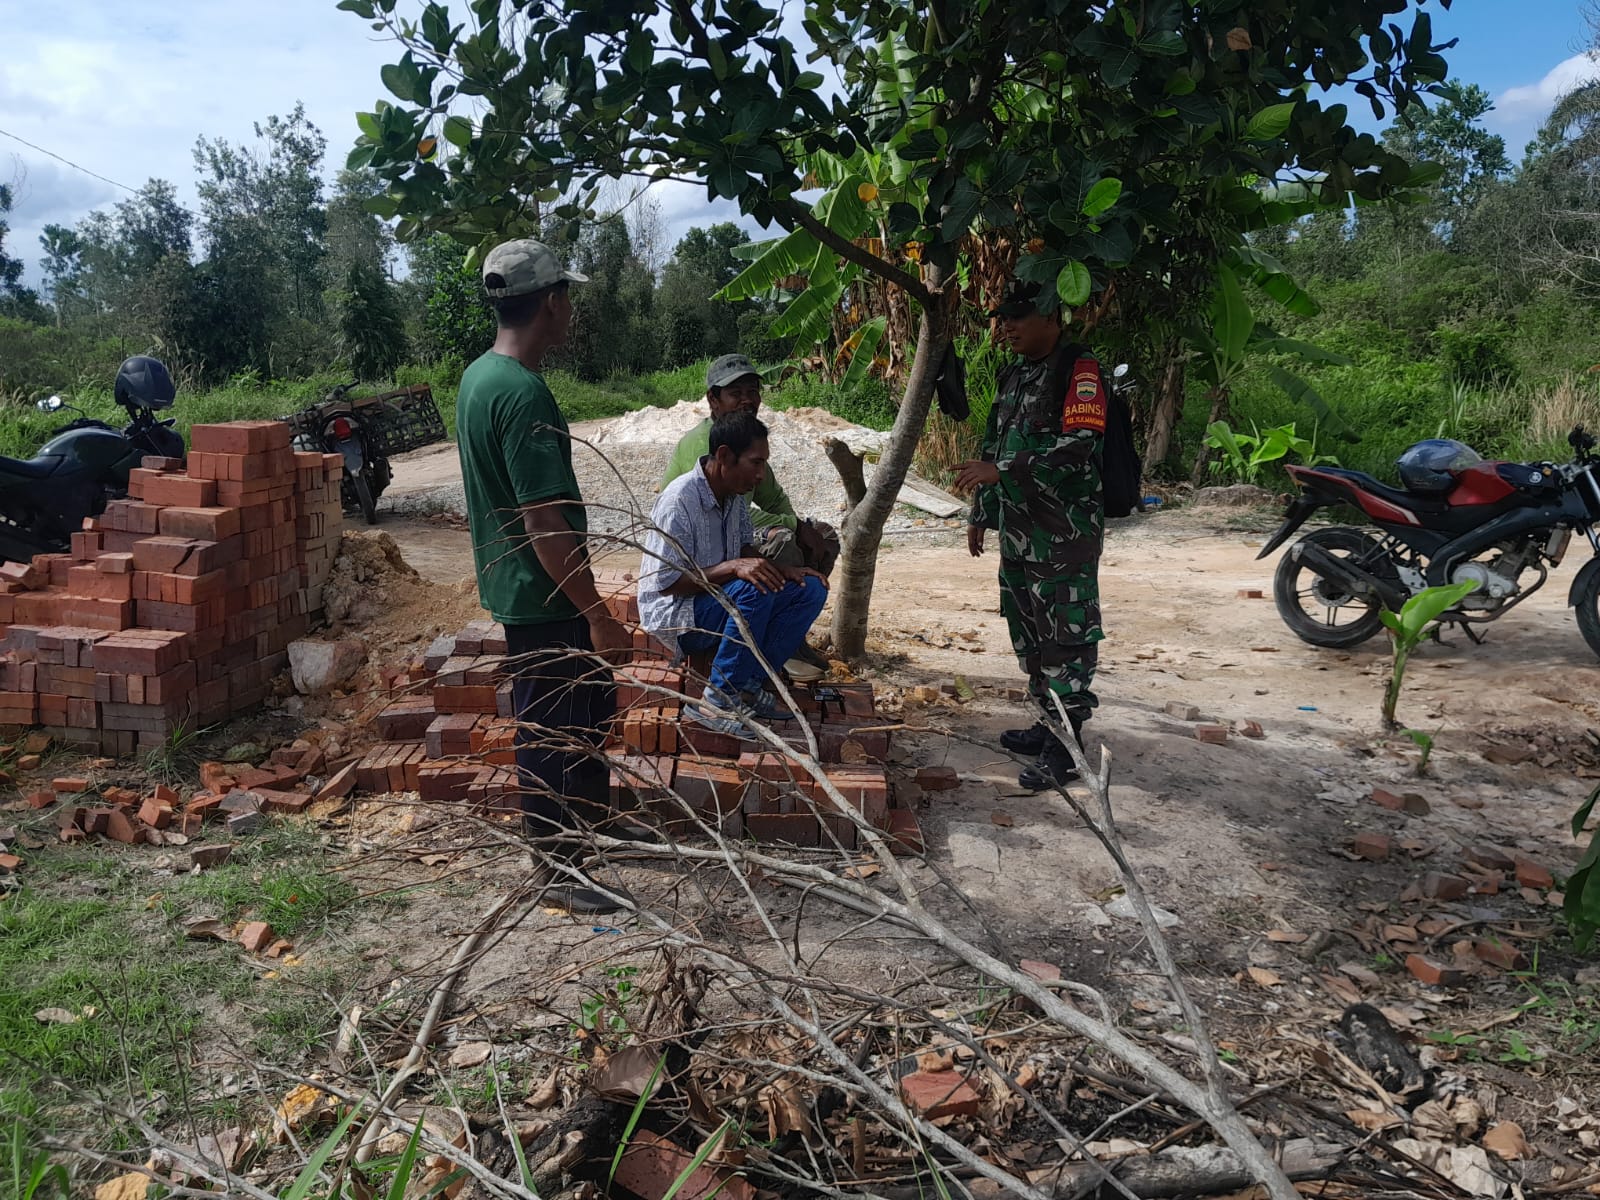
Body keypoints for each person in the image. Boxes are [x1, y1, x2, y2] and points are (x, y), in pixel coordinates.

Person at [454, 236, 633, 915]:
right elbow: (544, 526)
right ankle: (560, 870)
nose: (572, 310)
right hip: (546, 596)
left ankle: (581, 839)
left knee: (582, 720)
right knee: (554, 733)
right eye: (569, 298)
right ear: (551, 303)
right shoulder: (522, 395)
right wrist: (597, 614)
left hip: (526, 592)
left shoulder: (479, 378)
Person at [954, 280, 1107, 791]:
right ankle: (1047, 725)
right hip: (1020, 533)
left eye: (1019, 315)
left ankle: (1066, 747)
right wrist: (982, 511)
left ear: (1050, 316)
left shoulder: (1078, 370)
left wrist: (1005, 470)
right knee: (1031, 634)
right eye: (1004, 317)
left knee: (1065, 634)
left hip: (1063, 533)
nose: (1008, 326)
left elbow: (1080, 446)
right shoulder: (1015, 374)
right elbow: (991, 444)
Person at [640, 411, 829, 731]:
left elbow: (744, 550)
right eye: (756, 462)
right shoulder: (679, 501)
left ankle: (749, 685)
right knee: (752, 587)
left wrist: (784, 570)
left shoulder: (734, 497)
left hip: (718, 598)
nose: (761, 474)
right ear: (725, 456)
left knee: (809, 589)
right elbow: (667, 582)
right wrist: (733, 567)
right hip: (677, 615)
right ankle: (717, 700)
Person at [659, 353, 837, 680]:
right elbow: (668, 581)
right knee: (758, 581)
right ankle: (725, 692)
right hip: (686, 607)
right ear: (713, 400)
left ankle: (760, 674)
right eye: (735, 393)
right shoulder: (694, 475)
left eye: (752, 392)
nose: (747, 401)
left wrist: (790, 567)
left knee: (810, 583)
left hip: (721, 584)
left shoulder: (742, 466)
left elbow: (770, 503)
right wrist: (744, 561)